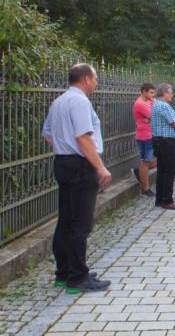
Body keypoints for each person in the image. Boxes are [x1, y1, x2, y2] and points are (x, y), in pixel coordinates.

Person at [41, 63, 112, 292]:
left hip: (63, 162)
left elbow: (48, 134)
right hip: (80, 165)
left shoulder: (59, 101)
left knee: (66, 220)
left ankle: (64, 272)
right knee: (81, 224)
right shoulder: (80, 101)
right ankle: (78, 278)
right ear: (85, 79)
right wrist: (100, 167)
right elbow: (83, 138)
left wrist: (64, 147)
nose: (96, 82)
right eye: (95, 77)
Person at [150, 84, 175, 210]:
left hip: (158, 141)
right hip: (166, 142)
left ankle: (160, 199)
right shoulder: (164, 105)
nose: (172, 95)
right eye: (170, 93)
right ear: (164, 93)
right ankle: (167, 200)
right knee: (170, 170)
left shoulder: (155, 104)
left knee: (162, 171)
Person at [131, 83, 157, 197]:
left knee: (153, 161)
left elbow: (155, 112)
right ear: (143, 92)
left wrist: (150, 118)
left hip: (150, 134)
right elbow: (155, 116)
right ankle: (145, 189)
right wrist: (149, 118)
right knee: (146, 161)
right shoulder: (140, 104)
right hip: (145, 136)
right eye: (151, 92)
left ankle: (139, 171)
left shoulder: (148, 101)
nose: (153, 95)